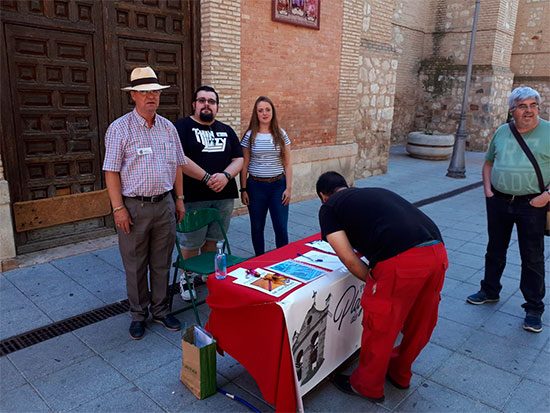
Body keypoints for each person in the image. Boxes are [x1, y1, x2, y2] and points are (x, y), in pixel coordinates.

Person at [316, 171, 447, 403]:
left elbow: (347, 258)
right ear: (348, 186)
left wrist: (374, 281)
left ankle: (367, 385)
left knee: (382, 324)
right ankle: (400, 373)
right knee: (421, 320)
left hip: (402, 259)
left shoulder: (330, 207)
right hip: (437, 252)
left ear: (322, 196)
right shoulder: (371, 193)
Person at [103, 66, 185, 340]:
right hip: (133, 207)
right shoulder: (119, 128)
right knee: (135, 263)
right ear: (134, 96)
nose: (151, 97)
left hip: (164, 205)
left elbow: (177, 166)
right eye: (144, 92)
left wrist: (179, 199)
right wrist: (118, 208)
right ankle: (139, 314)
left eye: (155, 92)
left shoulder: (168, 128)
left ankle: (161, 310)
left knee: (162, 261)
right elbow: (111, 170)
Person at [467, 86, 549, 333]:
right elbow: (489, 162)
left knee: (532, 256)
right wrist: (488, 191)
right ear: (512, 110)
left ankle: (534, 308)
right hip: (500, 200)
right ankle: (490, 290)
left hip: (532, 203)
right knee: (495, 248)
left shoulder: (548, 131)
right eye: (523, 106)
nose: (529, 110)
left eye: (533, 105)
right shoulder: (503, 131)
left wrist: (546, 197)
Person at [174, 86, 243, 260]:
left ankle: (208, 276)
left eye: (211, 101)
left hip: (223, 197)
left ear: (217, 107)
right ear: (194, 104)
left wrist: (226, 176)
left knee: (214, 240)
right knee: (191, 243)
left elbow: (239, 159)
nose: (207, 104)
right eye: (202, 100)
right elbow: (178, 157)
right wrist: (206, 178)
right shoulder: (181, 127)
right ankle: (186, 280)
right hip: (193, 198)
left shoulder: (227, 130)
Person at [240, 96, 292, 256]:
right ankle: (259, 260)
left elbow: (288, 164)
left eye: (267, 109)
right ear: (256, 113)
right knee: (256, 227)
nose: (264, 113)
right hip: (256, 187)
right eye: (260, 110)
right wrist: (243, 190)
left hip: (278, 186)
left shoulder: (281, 134)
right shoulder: (249, 136)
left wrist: (288, 188)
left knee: (281, 227)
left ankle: (283, 260)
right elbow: (244, 165)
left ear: (272, 112)